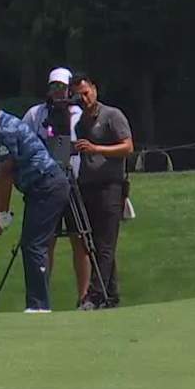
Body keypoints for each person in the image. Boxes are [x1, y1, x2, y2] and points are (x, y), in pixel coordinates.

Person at [0, 92, 70, 313]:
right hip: (42, 188)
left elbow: (5, 175)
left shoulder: (5, 131)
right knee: (32, 244)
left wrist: (0, 215)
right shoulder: (1, 127)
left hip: (47, 186)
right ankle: (37, 304)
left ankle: (39, 307)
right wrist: (1, 214)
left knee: (34, 245)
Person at [21, 68, 90, 307]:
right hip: (45, 185)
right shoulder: (36, 114)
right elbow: (24, 143)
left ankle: (84, 297)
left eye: (62, 86)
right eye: (54, 86)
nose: (59, 91)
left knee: (79, 239)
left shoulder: (79, 114)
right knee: (45, 241)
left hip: (74, 183)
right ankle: (41, 299)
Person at [73, 75, 134, 311]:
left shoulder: (112, 116)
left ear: (94, 90)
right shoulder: (80, 123)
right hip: (87, 186)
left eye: (86, 93)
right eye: (78, 95)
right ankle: (111, 294)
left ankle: (95, 295)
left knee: (106, 243)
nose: (83, 99)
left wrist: (97, 148)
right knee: (95, 243)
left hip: (110, 186)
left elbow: (128, 147)